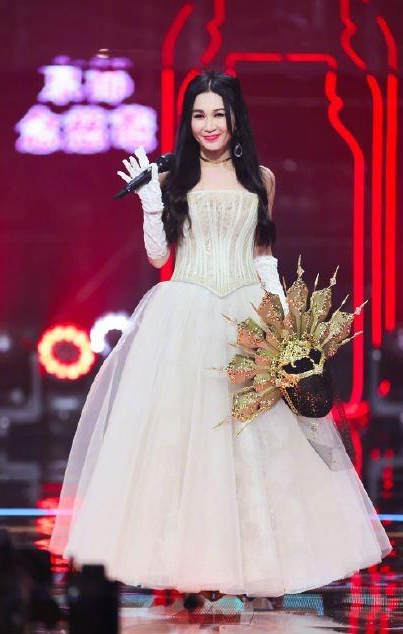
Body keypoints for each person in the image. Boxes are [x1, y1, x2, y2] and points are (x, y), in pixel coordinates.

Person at [49, 70, 392, 604]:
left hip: (245, 318)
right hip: (183, 315)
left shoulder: (261, 179)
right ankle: (194, 565)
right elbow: (159, 258)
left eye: (218, 114)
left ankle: (252, 564)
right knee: (182, 441)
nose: (209, 125)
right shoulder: (173, 178)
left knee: (253, 446)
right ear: (188, 122)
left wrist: (284, 327)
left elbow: (265, 257)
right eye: (198, 115)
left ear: (235, 119)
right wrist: (150, 201)